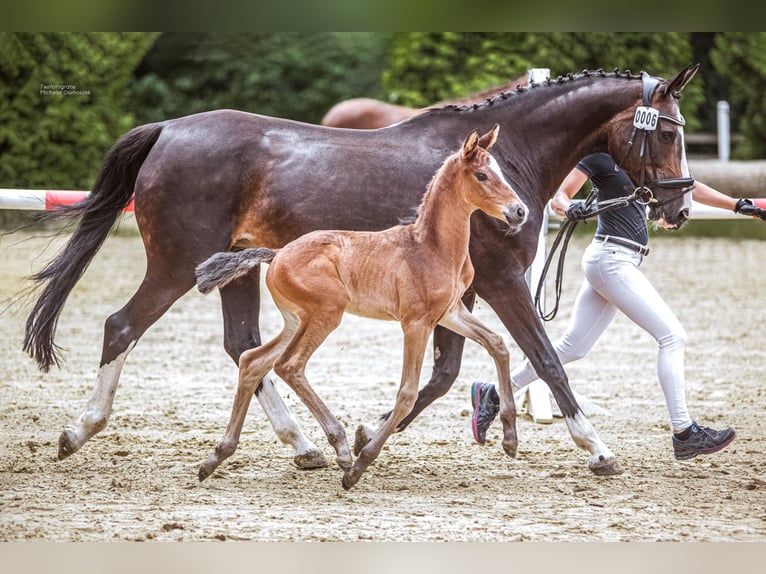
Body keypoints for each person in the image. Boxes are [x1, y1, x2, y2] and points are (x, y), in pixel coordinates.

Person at [470, 152, 766, 460]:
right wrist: (574, 207)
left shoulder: (644, 160)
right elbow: (560, 199)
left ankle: (491, 393)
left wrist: (740, 205)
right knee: (673, 337)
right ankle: (684, 431)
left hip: (619, 260)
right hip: (611, 259)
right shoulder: (599, 157)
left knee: (573, 347)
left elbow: (686, 186)